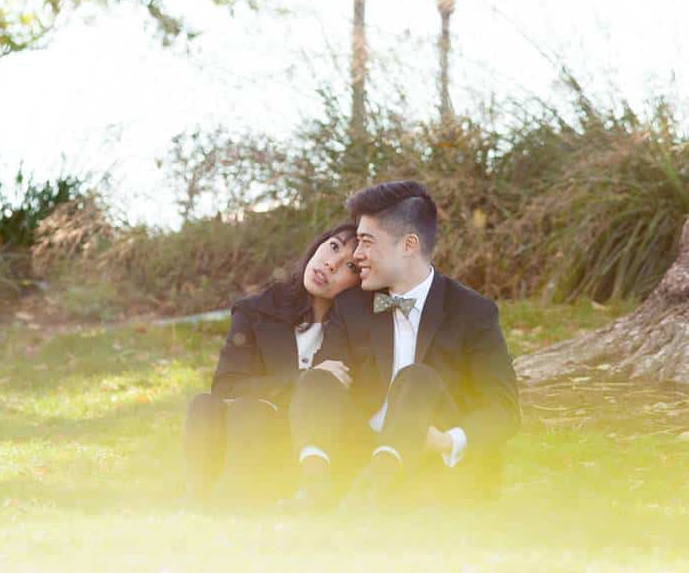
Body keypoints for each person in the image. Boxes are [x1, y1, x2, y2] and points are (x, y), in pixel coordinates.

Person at [310, 180, 520, 508]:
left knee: (416, 377)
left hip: (433, 461)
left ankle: (376, 487)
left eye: (366, 242)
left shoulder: (472, 311)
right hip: (360, 451)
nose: (356, 254)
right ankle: (314, 489)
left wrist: (447, 441)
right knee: (317, 379)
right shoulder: (351, 306)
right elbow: (326, 387)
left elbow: (503, 409)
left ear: (408, 245)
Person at [183, 221, 363, 507]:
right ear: (318, 245)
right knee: (204, 404)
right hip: (245, 435)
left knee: (249, 408)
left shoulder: (354, 329)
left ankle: (234, 500)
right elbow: (226, 384)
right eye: (333, 247)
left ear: (359, 281)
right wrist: (303, 379)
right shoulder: (256, 311)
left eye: (350, 267)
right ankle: (199, 500)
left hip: (304, 444)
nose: (331, 264)